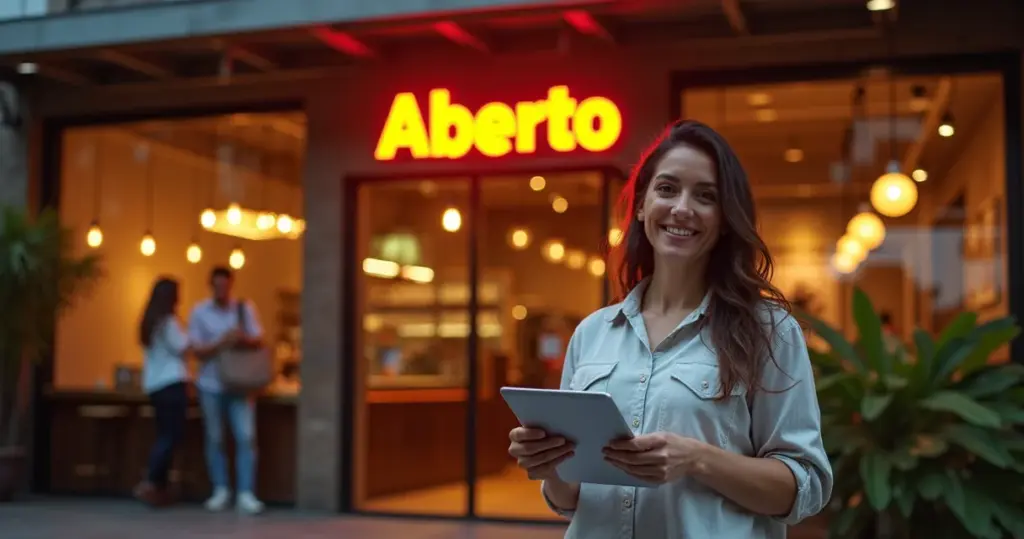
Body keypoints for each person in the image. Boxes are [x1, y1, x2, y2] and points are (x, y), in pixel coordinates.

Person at [507, 120, 833, 538]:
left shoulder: (770, 332)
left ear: (725, 219)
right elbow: (570, 498)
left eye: (705, 196)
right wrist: (550, 466)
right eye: (667, 189)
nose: (682, 208)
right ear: (642, 206)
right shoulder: (592, 333)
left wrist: (697, 459)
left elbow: (804, 487)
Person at [188, 266, 265, 514]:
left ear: (231, 285)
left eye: (225, 286)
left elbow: (259, 340)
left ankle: (246, 492)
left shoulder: (244, 309)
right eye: (217, 286)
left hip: (240, 385)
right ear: (211, 285)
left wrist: (240, 338)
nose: (222, 291)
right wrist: (221, 342)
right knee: (215, 438)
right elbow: (197, 350)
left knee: (245, 437)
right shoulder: (199, 312)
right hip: (210, 384)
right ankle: (220, 489)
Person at [134, 277, 191, 507]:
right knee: (171, 436)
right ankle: (151, 480)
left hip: (154, 385)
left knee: (163, 434)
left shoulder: (149, 322)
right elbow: (184, 346)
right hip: (172, 383)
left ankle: (159, 488)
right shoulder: (169, 322)